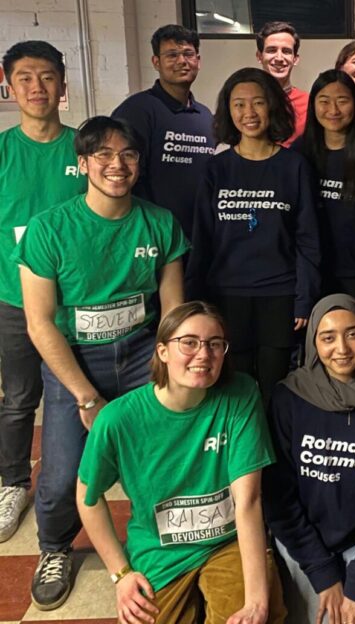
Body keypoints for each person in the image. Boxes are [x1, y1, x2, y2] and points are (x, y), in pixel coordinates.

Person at [12, 115, 188, 610]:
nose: (118, 165)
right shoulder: (50, 229)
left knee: (154, 456)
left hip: (141, 354)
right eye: (104, 156)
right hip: (75, 361)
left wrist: (167, 371)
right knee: (65, 469)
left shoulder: (159, 222)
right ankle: (55, 547)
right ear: (83, 163)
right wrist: (85, 395)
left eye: (128, 155)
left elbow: (172, 310)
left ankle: (160, 543)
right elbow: (40, 323)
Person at [76, 301, 285, 624]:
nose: (204, 354)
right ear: (162, 351)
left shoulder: (241, 394)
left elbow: (249, 500)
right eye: (189, 343)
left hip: (228, 543)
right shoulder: (118, 419)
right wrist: (122, 574)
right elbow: (87, 498)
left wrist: (258, 601)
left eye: (215, 344)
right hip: (160, 551)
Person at [263, 294, 355, 624]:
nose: (341, 348)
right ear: (313, 341)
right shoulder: (289, 397)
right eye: (328, 337)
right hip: (306, 542)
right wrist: (322, 572)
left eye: (353, 334)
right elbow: (278, 499)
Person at [185, 68, 321, 408]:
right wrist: (195, 301)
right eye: (239, 104)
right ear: (228, 111)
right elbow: (202, 240)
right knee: (233, 389)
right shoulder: (216, 169)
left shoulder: (295, 167)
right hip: (227, 296)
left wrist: (304, 299)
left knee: (276, 390)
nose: (249, 113)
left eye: (258, 103)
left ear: (272, 107)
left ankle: (275, 460)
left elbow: (308, 240)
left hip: (280, 295)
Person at [0, 40, 87, 545]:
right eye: (26, 78)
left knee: (71, 395)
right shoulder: (4, 151)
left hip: (76, 304)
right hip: (13, 300)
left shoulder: (83, 149)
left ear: (62, 84)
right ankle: (13, 482)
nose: (37, 87)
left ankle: (76, 482)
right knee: (17, 398)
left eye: (47, 77)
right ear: (10, 86)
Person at [296, 69, 355, 328]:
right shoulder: (298, 153)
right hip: (307, 275)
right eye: (324, 100)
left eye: (342, 100)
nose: (333, 109)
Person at [112, 24, 215, 238]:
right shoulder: (136, 111)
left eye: (188, 54)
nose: (181, 61)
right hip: (152, 236)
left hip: (200, 235)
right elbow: (123, 176)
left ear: (198, 60)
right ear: (156, 62)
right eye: (172, 55)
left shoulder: (206, 117)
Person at [256, 20, 308, 147]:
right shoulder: (245, 101)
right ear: (259, 56)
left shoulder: (310, 103)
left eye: (286, 51)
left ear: (295, 59)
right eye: (271, 50)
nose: (279, 58)